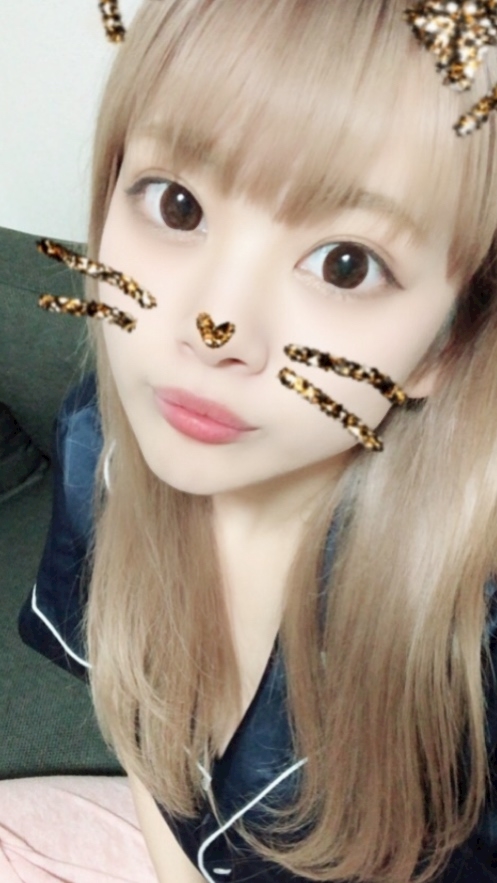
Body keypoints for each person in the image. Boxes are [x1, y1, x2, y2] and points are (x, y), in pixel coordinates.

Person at [3, 0, 497, 880]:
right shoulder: (101, 450)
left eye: (345, 263)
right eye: (177, 204)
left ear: (447, 343)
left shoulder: (468, 642)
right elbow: (148, 746)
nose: (213, 327)